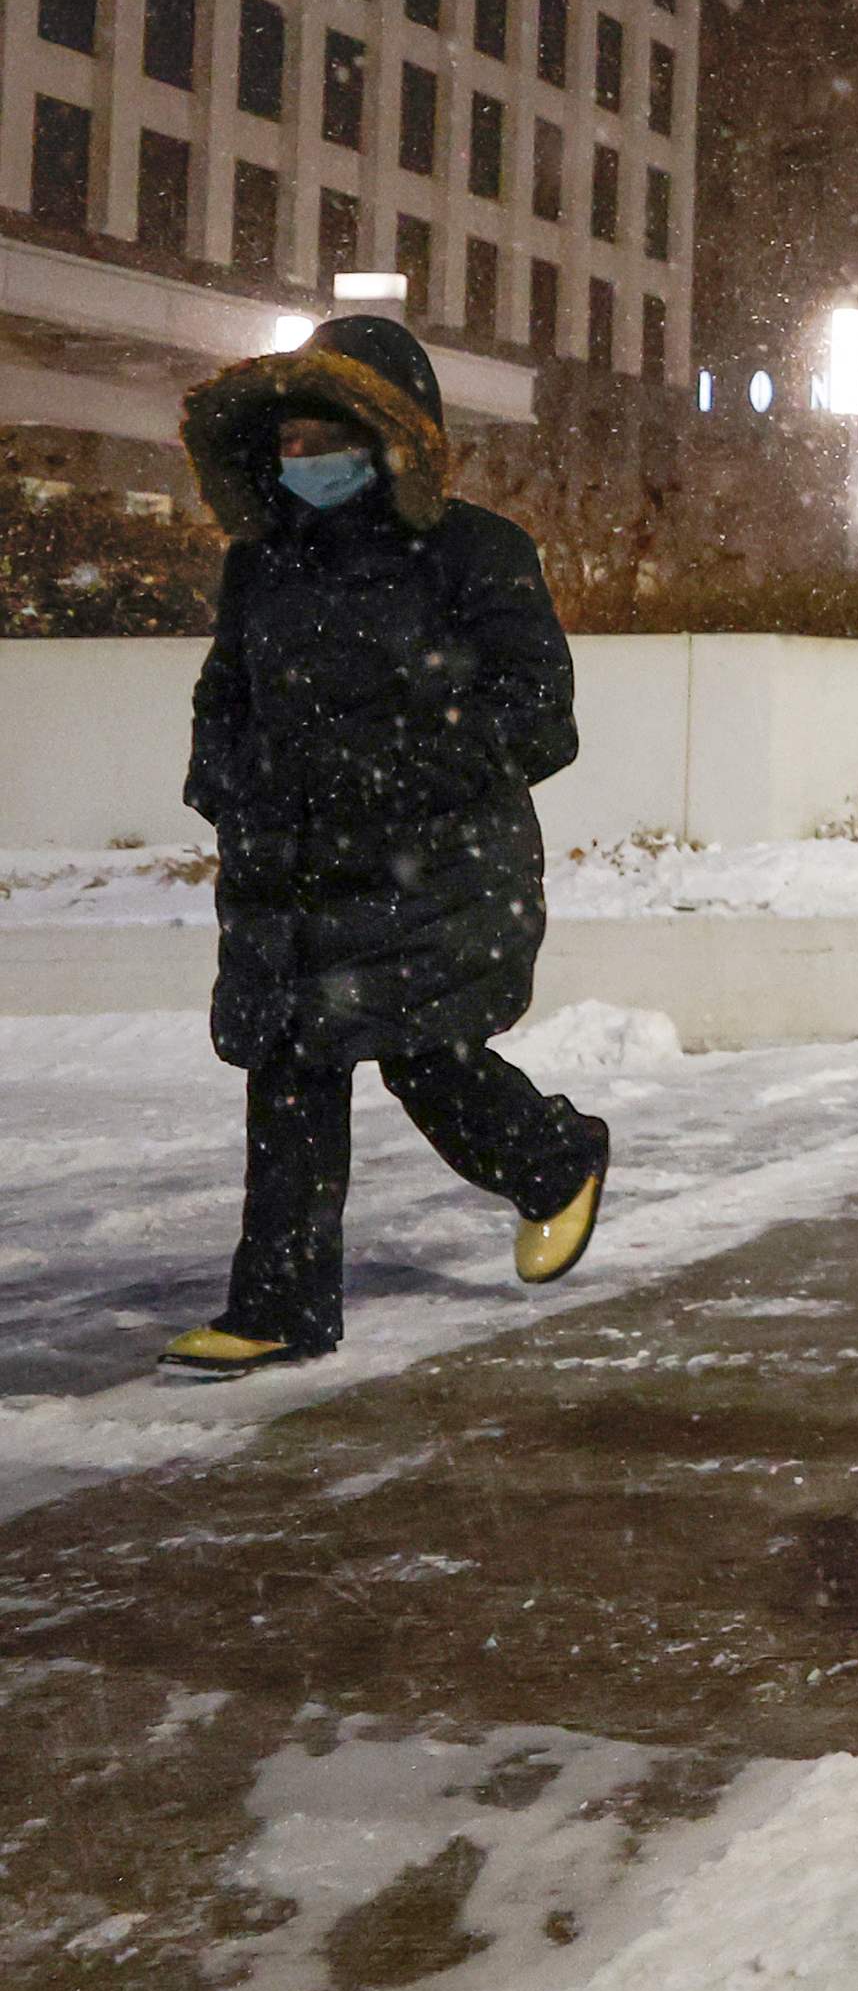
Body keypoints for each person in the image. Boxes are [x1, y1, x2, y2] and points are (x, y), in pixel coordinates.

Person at [159, 315, 608, 1380]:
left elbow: (540, 711)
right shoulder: (261, 566)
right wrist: (225, 790)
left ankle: (556, 1162)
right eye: (292, 441)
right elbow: (225, 698)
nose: (306, 459)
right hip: (288, 869)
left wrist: (401, 782)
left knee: (425, 1059)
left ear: (394, 432)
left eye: (331, 435)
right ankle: (277, 1308)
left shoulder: (476, 552)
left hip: (438, 871)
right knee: (288, 1071)